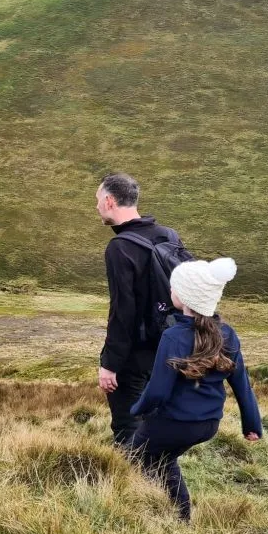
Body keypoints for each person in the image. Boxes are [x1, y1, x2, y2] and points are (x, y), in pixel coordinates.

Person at [127, 257, 263, 522]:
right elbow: (242, 384)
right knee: (163, 460)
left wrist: (136, 409)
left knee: (130, 459)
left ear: (186, 298)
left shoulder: (173, 336)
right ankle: (181, 518)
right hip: (208, 424)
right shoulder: (227, 334)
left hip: (175, 422)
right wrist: (252, 425)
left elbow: (157, 391)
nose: (170, 291)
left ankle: (137, 514)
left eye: (174, 288)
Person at [96, 173, 189, 446]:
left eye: (98, 200)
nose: (97, 207)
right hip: (170, 349)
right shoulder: (169, 235)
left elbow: (122, 312)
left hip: (135, 357)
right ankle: (165, 482)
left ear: (110, 201)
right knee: (158, 425)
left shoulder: (120, 247)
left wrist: (110, 365)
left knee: (128, 428)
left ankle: (137, 486)